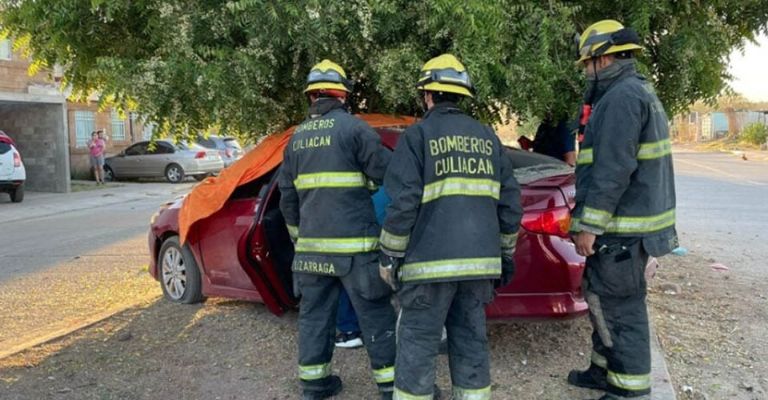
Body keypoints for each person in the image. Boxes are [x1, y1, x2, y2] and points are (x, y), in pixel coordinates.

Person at [378, 53, 522, 400]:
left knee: (418, 344)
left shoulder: (417, 137)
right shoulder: (488, 139)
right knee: (470, 340)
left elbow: (403, 203)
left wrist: (389, 256)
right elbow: (510, 203)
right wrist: (505, 254)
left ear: (428, 96)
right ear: (462, 96)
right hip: (479, 269)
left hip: (428, 269)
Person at [568, 20, 678, 400]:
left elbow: (612, 170)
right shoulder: (633, 92)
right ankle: (603, 372)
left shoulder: (621, 99)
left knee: (620, 308)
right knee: (601, 296)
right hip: (628, 226)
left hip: (622, 229)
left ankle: (629, 392)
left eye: (587, 63)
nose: (586, 71)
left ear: (605, 59)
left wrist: (589, 227)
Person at [278, 59, 397, 400]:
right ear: (343, 95)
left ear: (311, 97)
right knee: (375, 315)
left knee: (315, 318)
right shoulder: (355, 129)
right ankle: (390, 388)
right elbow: (385, 174)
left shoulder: (296, 141)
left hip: (311, 252)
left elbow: (287, 197)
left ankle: (315, 385)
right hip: (356, 250)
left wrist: (301, 240)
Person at [335, 187, 390, 349]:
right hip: (393, 239)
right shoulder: (399, 177)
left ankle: (349, 330)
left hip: (361, 241)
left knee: (343, 277)